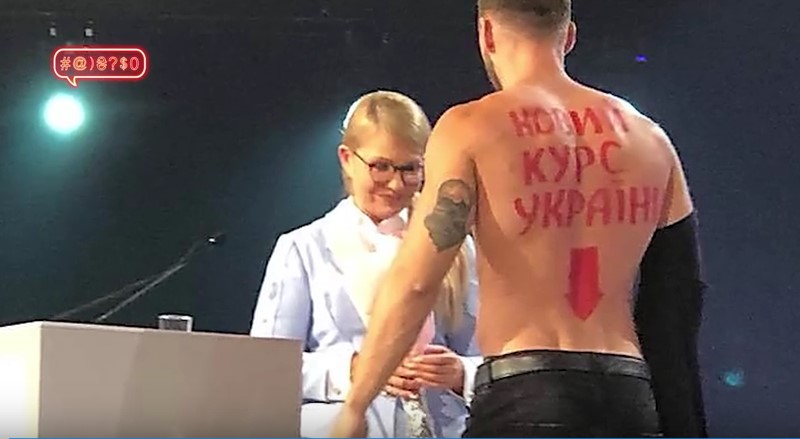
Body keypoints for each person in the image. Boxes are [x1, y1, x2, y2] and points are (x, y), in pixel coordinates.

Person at [331, 1, 708, 438]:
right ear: (569, 36)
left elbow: (416, 283)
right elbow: (678, 298)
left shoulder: (469, 127)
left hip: (524, 391)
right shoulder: (651, 139)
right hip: (629, 395)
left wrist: (356, 405)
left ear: (486, 33)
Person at [249, 90, 482, 438]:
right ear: (347, 158)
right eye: (381, 166)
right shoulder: (303, 249)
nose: (395, 183)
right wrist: (353, 370)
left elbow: (488, 357)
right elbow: (265, 369)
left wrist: (461, 372)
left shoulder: (454, 248)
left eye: (410, 168)